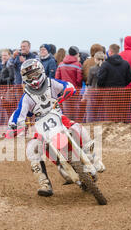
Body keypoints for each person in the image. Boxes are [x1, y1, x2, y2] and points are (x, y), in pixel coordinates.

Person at [6, 59, 105, 197]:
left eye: (35, 74)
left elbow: (68, 86)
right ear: (25, 79)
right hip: (41, 127)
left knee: (79, 128)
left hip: (59, 118)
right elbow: (18, 115)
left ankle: (94, 159)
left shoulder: (51, 83)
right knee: (31, 149)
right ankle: (44, 183)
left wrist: (67, 92)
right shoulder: (26, 97)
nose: (33, 79)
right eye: (29, 77)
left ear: (41, 71)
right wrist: (13, 128)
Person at [97, 44, 131, 122]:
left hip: (108, 92)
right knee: (120, 113)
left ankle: (111, 131)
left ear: (110, 52)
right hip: (121, 91)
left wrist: (103, 88)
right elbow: (130, 78)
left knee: (109, 114)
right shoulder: (125, 63)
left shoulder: (105, 64)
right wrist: (123, 84)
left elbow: (100, 80)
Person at [55, 46, 83, 120]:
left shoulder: (61, 64)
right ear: (76, 54)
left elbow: (57, 79)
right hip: (75, 90)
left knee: (66, 109)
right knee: (75, 109)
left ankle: (67, 126)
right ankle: (74, 125)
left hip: (64, 90)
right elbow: (79, 79)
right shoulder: (78, 64)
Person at [83, 51, 105, 122]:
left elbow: (89, 81)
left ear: (96, 59)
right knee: (101, 111)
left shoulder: (92, 69)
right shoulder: (105, 69)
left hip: (92, 91)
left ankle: (90, 125)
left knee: (90, 111)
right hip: (102, 92)